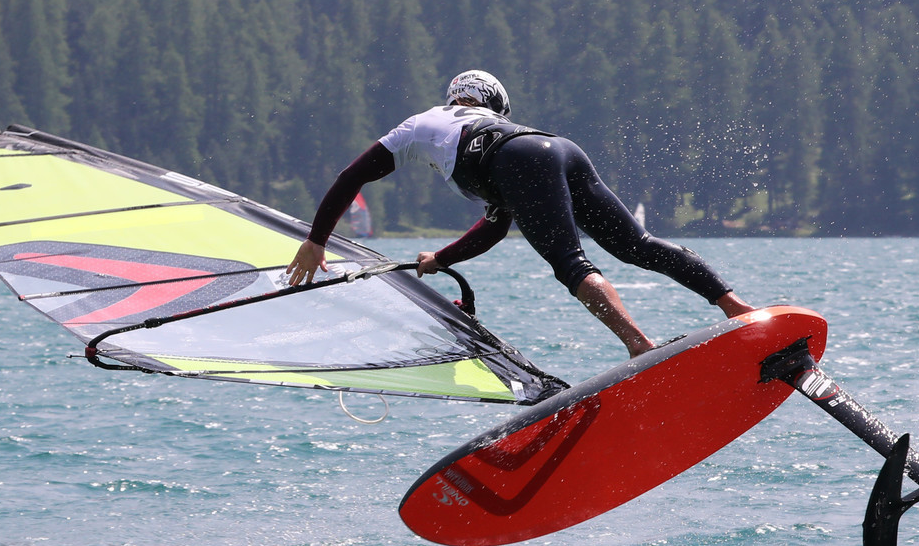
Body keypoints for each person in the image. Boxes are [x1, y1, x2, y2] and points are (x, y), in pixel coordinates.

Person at [286, 70, 756, 357]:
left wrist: (316, 241)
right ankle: (737, 307)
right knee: (639, 245)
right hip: (560, 148)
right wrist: (444, 259)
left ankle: (639, 344)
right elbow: (498, 223)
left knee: (571, 264)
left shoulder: (420, 125)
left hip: (518, 160)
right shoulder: (494, 126)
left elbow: (351, 176)